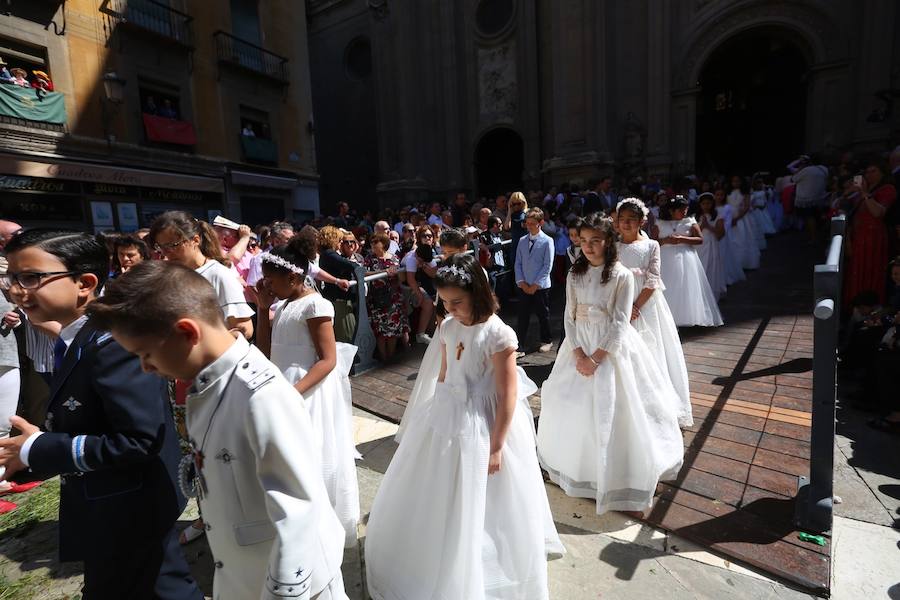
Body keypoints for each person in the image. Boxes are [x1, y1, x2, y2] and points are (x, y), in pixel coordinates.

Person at [88, 260, 349, 599]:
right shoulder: (209, 383)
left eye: (146, 353)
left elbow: (299, 512)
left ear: (187, 332)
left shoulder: (262, 396)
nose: (146, 367)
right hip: (243, 576)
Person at [0, 230, 203, 599]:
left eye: (31, 278)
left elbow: (138, 440)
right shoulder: (80, 336)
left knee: (162, 590)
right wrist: (32, 451)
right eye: (11, 278)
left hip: (131, 510)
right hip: (108, 507)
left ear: (85, 283)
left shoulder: (113, 344)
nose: (15, 290)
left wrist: (39, 448)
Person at [366, 253, 564, 599]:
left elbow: (506, 394)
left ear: (478, 292)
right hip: (447, 412)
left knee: (488, 493)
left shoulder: (499, 335)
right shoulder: (447, 327)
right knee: (438, 482)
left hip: (485, 420)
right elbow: (445, 374)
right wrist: (434, 410)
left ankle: (481, 562)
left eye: (457, 302)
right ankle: (439, 547)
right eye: (444, 302)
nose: (451, 309)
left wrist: (498, 445)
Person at [537, 214, 684, 516]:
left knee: (615, 407)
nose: (588, 247)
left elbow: (619, 322)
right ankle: (578, 467)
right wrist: (578, 354)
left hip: (609, 348)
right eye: (584, 241)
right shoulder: (575, 275)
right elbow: (568, 316)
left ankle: (618, 472)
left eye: (596, 241)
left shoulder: (621, 275)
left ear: (608, 241)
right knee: (574, 406)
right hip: (579, 345)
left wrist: (596, 358)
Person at [253, 243, 360, 549]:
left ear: (293, 276)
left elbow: (328, 359)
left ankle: (317, 525)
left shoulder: (316, 305)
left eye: (271, 281)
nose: (268, 286)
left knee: (311, 453)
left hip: (306, 388)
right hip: (283, 381)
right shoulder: (284, 305)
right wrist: (263, 307)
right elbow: (265, 350)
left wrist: (293, 394)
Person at [616, 199, 692, 427]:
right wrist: (621, 305)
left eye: (631, 220)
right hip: (620, 302)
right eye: (622, 220)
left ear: (641, 222)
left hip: (645, 304)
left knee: (651, 350)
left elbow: (652, 279)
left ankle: (654, 404)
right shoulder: (615, 246)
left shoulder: (651, 245)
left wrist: (636, 306)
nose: (626, 224)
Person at [150, 211, 254, 340]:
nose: (166, 253)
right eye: (161, 247)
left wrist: (203, 344)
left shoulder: (218, 274)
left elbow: (245, 328)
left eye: (173, 245)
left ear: (195, 240)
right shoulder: (170, 275)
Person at [653, 197, 723, 327]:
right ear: (671, 211)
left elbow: (700, 239)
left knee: (685, 286)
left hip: (686, 257)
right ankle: (667, 317)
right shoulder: (660, 223)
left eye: (686, 209)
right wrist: (666, 241)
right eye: (681, 210)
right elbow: (653, 242)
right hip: (666, 257)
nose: (684, 212)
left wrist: (682, 239)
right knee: (668, 285)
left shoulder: (690, 221)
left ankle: (685, 317)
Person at [844, 162, 897, 304]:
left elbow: (878, 212)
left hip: (873, 237)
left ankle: (869, 307)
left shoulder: (887, 189)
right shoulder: (863, 190)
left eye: (874, 171)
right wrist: (848, 192)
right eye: (867, 172)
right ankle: (853, 307)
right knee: (855, 271)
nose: (869, 174)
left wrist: (864, 193)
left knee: (870, 270)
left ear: (882, 173)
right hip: (858, 235)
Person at [514, 207, 554, 356]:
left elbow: (547, 265)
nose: (529, 226)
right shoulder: (522, 240)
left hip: (540, 286)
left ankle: (547, 340)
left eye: (532, 223)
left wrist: (536, 285)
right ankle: (520, 344)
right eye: (527, 223)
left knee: (543, 314)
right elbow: (518, 262)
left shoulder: (547, 241)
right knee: (522, 315)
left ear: (540, 222)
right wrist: (522, 282)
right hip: (524, 285)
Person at [363, 232, 409, 362]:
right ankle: (384, 358)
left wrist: (398, 272)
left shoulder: (394, 258)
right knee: (380, 331)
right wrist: (383, 272)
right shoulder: (369, 258)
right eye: (371, 242)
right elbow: (364, 273)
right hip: (376, 298)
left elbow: (402, 278)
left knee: (393, 330)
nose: (372, 245)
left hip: (393, 298)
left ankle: (391, 356)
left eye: (375, 242)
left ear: (383, 244)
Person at [318, 225, 359, 343]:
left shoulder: (327, 254)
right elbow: (352, 266)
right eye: (340, 240)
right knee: (347, 336)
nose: (341, 243)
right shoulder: (329, 254)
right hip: (339, 300)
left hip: (337, 298)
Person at [402, 225, 437, 344]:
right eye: (424, 236)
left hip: (423, 284)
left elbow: (434, 273)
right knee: (427, 301)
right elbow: (410, 279)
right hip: (406, 286)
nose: (427, 238)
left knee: (436, 300)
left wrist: (422, 265)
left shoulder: (427, 252)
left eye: (430, 235)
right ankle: (420, 334)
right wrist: (419, 295)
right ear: (419, 238)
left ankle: (434, 334)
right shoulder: (412, 257)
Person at [693, 192, 727, 299]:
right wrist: (701, 227)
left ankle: (712, 292)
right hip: (699, 247)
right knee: (700, 268)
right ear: (700, 205)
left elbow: (721, 234)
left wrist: (708, 226)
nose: (706, 206)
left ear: (712, 204)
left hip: (711, 245)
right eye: (704, 204)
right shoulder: (695, 217)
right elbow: (693, 234)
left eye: (708, 203)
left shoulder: (718, 216)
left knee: (711, 267)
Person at [713, 187, 747, 285]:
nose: (719, 197)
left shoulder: (727, 208)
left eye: (721, 195)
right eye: (717, 195)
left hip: (724, 234)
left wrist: (721, 231)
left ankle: (725, 277)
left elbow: (728, 222)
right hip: (713, 234)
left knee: (723, 255)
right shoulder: (712, 208)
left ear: (724, 196)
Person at [726, 177, 760, 270]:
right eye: (733, 181)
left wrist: (737, 218)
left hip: (742, 218)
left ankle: (743, 263)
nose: (735, 183)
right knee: (731, 240)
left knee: (742, 238)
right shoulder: (728, 192)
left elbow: (747, 206)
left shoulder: (745, 192)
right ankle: (732, 263)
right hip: (729, 217)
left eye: (737, 181)